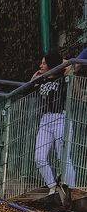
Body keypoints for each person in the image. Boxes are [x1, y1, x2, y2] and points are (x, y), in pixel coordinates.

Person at [30, 51, 76, 199]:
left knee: (63, 157)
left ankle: (71, 190)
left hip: (60, 118)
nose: (40, 65)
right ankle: (52, 186)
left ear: (51, 64)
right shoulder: (42, 79)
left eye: (44, 63)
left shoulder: (63, 77)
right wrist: (35, 77)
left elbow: (69, 66)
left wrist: (60, 64)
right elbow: (29, 86)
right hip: (45, 120)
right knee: (39, 157)